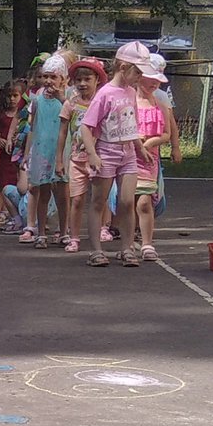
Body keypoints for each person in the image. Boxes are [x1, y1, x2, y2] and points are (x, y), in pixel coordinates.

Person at [78, 43, 150, 267]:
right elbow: (86, 127)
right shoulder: (105, 94)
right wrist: (92, 154)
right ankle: (96, 250)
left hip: (128, 153)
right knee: (98, 202)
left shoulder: (131, 92)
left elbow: (131, 124)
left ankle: (127, 248)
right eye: (137, 72)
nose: (140, 77)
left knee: (127, 201)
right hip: (106, 152)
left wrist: (140, 147)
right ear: (123, 67)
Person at [131, 55, 181, 262]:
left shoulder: (160, 105)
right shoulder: (128, 102)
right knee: (127, 201)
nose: (154, 83)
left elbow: (167, 133)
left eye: (157, 80)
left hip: (148, 160)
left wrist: (150, 143)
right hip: (128, 158)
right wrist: (136, 141)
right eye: (150, 78)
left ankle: (147, 243)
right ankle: (128, 242)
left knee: (144, 201)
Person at [20, 58, 68, 248]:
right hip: (41, 151)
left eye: (53, 77)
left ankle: (64, 231)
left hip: (60, 152)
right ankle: (40, 233)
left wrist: (62, 99)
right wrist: (27, 153)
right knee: (42, 192)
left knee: (62, 194)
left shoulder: (67, 100)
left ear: (63, 79)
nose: (48, 81)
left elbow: (74, 118)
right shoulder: (37, 100)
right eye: (45, 76)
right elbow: (32, 129)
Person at [57, 60, 103, 249]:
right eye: (79, 80)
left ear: (97, 80)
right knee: (76, 199)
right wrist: (59, 160)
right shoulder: (71, 104)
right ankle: (74, 237)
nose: (83, 83)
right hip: (76, 159)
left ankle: (101, 230)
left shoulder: (101, 102)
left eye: (87, 79)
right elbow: (62, 133)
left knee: (99, 200)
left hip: (98, 158)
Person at [0, 79, 27, 230]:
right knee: (2, 184)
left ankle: (16, 214)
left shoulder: (24, 115)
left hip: (19, 155)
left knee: (19, 184)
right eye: (9, 96)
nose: (12, 99)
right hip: (5, 155)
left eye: (15, 96)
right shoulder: (1, 114)